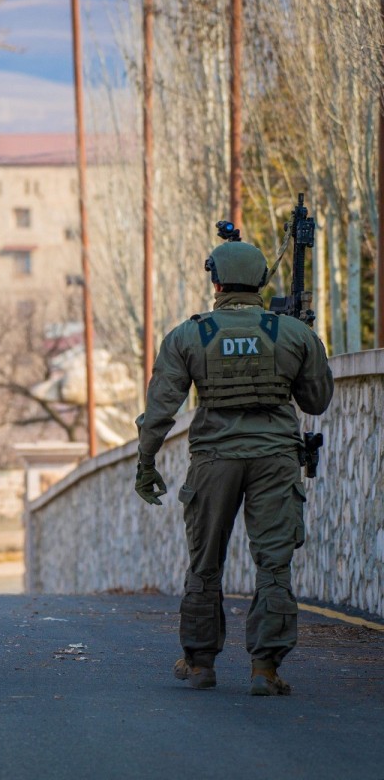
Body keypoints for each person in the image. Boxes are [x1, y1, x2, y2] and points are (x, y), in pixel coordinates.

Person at [135, 239, 333, 696]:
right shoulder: (292, 334)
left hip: (213, 462)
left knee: (205, 564)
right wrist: (303, 339)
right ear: (262, 281)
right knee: (273, 565)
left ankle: (201, 662)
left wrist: (146, 463)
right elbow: (317, 401)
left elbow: (160, 409)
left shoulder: (189, 335)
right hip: (276, 460)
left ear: (216, 280)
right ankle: (265, 668)